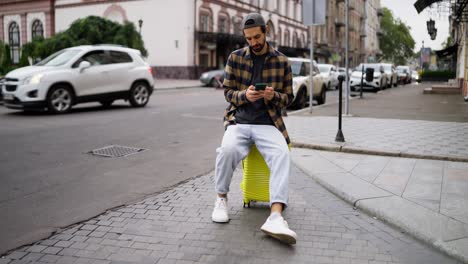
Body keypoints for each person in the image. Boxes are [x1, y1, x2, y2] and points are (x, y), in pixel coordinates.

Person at [211, 12, 297, 245]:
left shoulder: (282, 61)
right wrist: (245, 95)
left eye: (257, 37)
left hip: (269, 123)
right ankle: (221, 199)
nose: (253, 42)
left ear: (266, 31)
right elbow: (228, 93)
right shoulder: (235, 58)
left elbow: (289, 98)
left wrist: (272, 95)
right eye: (249, 39)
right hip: (240, 121)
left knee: (281, 154)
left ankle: (276, 216)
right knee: (226, 151)